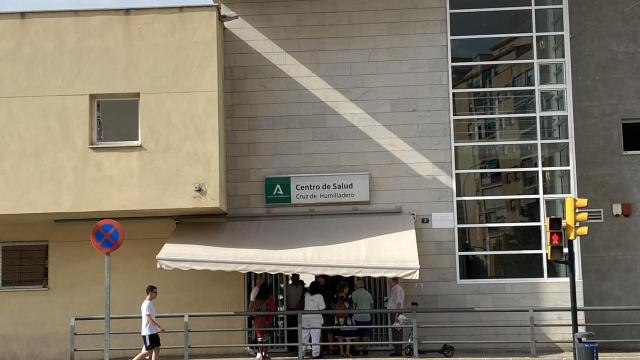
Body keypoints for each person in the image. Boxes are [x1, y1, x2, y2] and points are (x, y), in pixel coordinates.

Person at [132, 285, 165, 360]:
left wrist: (156, 328)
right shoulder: (147, 304)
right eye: (155, 292)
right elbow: (148, 318)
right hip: (148, 332)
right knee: (149, 352)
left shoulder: (150, 303)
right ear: (150, 292)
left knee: (156, 348)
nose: (156, 294)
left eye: (157, 292)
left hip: (152, 331)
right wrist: (158, 326)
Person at [302, 280, 326, 359]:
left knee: (304, 337)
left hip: (305, 318)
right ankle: (315, 354)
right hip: (316, 318)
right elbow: (322, 308)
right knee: (315, 337)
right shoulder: (319, 296)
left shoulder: (306, 295)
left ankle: (301, 353)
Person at [254, 282, 277, 360]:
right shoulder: (270, 297)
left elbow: (254, 310)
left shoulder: (257, 298)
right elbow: (273, 310)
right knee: (266, 338)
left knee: (260, 338)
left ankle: (261, 355)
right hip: (267, 319)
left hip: (258, 320)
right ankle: (265, 354)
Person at [334, 281, 357, 357]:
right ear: (344, 289)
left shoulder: (335, 296)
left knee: (340, 336)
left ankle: (341, 352)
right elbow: (351, 306)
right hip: (347, 319)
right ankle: (347, 352)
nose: (348, 289)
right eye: (347, 288)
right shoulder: (349, 297)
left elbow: (333, 307)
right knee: (348, 336)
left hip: (338, 318)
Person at [351, 279, 374, 356]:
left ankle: (357, 350)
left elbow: (354, 304)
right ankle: (365, 350)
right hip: (367, 317)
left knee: (357, 334)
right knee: (365, 334)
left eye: (356, 284)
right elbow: (372, 305)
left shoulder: (354, 293)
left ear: (358, 285)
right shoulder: (368, 294)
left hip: (357, 317)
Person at [316, 275, 336, 355]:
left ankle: (321, 348)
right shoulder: (329, 288)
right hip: (327, 311)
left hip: (320, 311)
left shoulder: (316, 290)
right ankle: (330, 348)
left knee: (321, 330)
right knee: (329, 330)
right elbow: (332, 301)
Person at [246, 273, 266, 355]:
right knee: (260, 332)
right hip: (256, 314)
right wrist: (250, 314)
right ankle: (252, 347)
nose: (262, 282)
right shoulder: (255, 290)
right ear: (258, 281)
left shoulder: (259, 290)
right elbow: (251, 303)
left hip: (258, 314)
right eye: (261, 280)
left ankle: (257, 350)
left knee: (261, 332)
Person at [286, 273, 305, 352]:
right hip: (290, 310)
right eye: (294, 277)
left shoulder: (301, 287)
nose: (296, 279)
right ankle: (291, 346)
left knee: (299, 329)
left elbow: (302, 298)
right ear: (292, 278)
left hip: (300, 311)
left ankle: (298, 346)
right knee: (291, 329)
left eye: (297, 277)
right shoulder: (288, 287)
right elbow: (286, 298)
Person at [387, 277, 405, 356]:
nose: (388, 283)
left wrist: (397, 314)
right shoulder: (395, 289)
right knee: (396, 332)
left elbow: (399, 303)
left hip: (396, 313)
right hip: (396, 312)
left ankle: (398, 351)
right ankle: (397, 350)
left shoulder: (397, 289)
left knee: (397, 332)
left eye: (389, 281)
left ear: (394, 281)